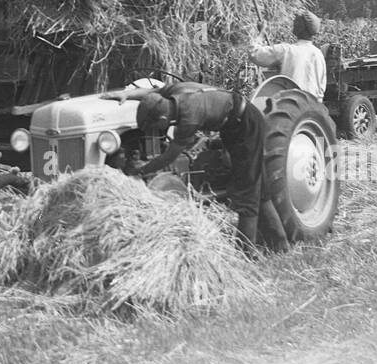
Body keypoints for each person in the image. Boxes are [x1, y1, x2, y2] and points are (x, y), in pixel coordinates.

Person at [110, 80, 287, 253]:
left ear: (163, 118)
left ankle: (246, 252)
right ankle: (279, 243)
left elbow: (169, 157)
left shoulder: (188, 119)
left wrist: (142, 170)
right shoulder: (176, 91)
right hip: (235, 123)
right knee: (259, 186)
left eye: (155, 126)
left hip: (246, 126)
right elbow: (150, 93)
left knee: (247, 189)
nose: (155, 129)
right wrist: (126, 94)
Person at [249, 11, 327, 99]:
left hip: (291, 105)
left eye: (296, 22)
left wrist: (261, 34)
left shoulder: (287, 50)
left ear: (301, 27)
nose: (294, 24)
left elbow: (254, 53)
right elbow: (321, 88)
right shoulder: (318, 54)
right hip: (313, 106)